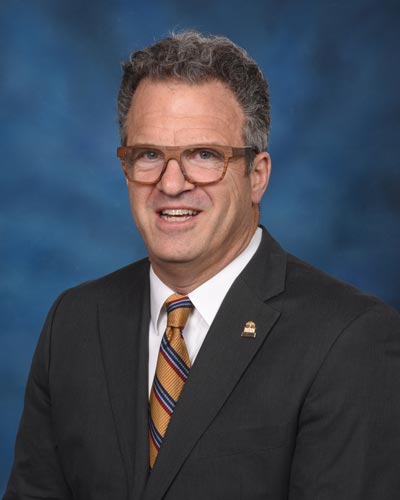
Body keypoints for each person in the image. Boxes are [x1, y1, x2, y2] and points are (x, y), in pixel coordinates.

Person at [4, 31, 400, 500]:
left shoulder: (349, 338)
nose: (172, 184)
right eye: (149, 155)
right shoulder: (74, 322)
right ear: (126, 169)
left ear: (257, 176)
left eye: (204, 155)